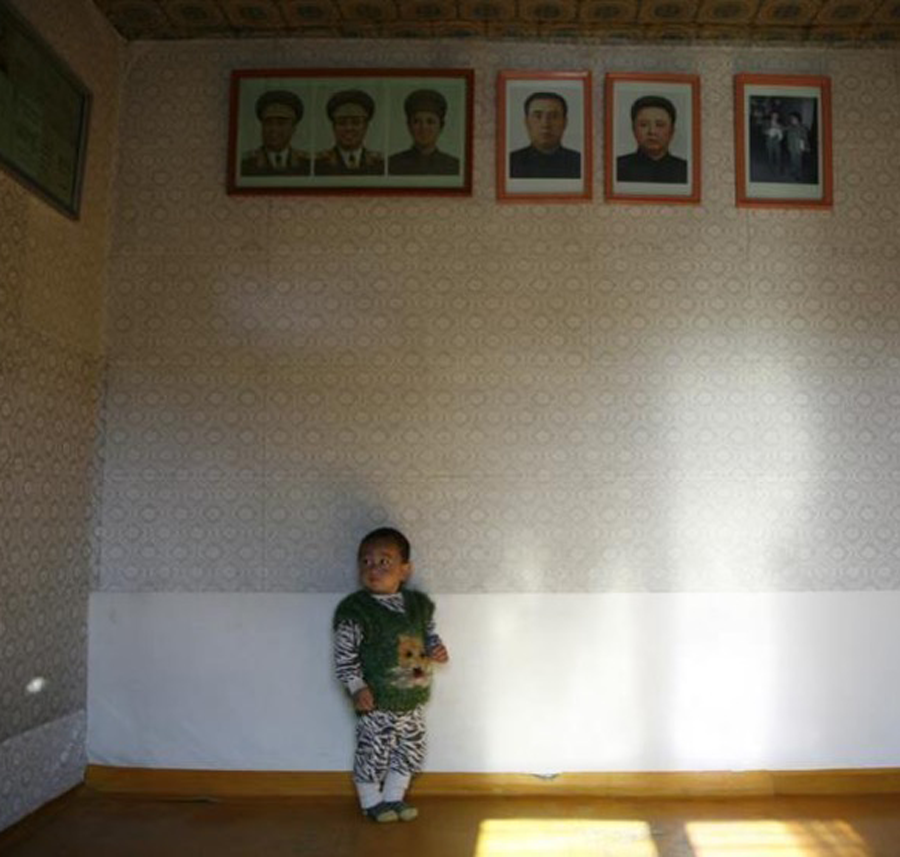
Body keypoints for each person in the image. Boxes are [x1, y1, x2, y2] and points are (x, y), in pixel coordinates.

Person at [333, 527, 449, 823]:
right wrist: (357, 687)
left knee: (411, 749)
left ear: (405, 570)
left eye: (384, 561)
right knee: (373, 750)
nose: (373, 568)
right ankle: (371, 801)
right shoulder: (355, 610)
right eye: (366, 562)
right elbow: (345, 656)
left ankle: (394, 798)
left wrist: (436, 649)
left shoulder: (418, 605)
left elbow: (429, 635)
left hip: (413, 697)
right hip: (377, 701)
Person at [616, 95, 688, 184]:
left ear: (672, 131)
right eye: (643, 125)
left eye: (660, 125)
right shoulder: (617, 167)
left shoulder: (686, 170)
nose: (652, 132)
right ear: (633, 129)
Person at [509, 91, 581, 179]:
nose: (545, 124)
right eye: (538, 116)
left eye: (554, 116)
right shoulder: (511, 162)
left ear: (565, 122)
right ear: (526, 122)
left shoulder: (579, 162)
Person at [388, 89, 460, 176]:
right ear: (409, 126)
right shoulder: (392, 165)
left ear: (441, 126)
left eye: (430, 122)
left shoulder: (454, 167)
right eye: (417, 121)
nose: (423, 128)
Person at [314, 89, 384, 176]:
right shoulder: (317, 164)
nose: (349, 128)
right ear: (333, 127)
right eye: (342, 123)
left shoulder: (380, 164)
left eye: (356, 122)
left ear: (366, 126)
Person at [240, 90, 310, 176]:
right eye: (268, 123)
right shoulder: (245, 164)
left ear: (293, 128)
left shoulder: (307, 164)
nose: (274, 129)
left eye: (281, 123)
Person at [783, 111, 809, 181]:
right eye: (791, 119)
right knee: (792, 160)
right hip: (791, 147)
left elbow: (804, 138)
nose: (792, 120)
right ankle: (793, 172)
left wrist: (803, 148)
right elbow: (784, 129)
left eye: (793, 118)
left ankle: (799, 175)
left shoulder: (802, 127)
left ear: (798, 119)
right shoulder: (790, 127)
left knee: (798, 162)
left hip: (798, 147)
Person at [763, 111, 784, 175]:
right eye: (774, 115)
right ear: (771, 115)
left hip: (777, 140)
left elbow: (783, 131)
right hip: (769, 140)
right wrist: (769, 130)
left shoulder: (780, 123)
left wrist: (780, 129)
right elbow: (763, 131)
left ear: (778, 116)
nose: (775, 117)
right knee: (770, 155)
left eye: (776, 115)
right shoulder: (767, 122)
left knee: (778, 155)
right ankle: (771, 168)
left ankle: (778, 168)